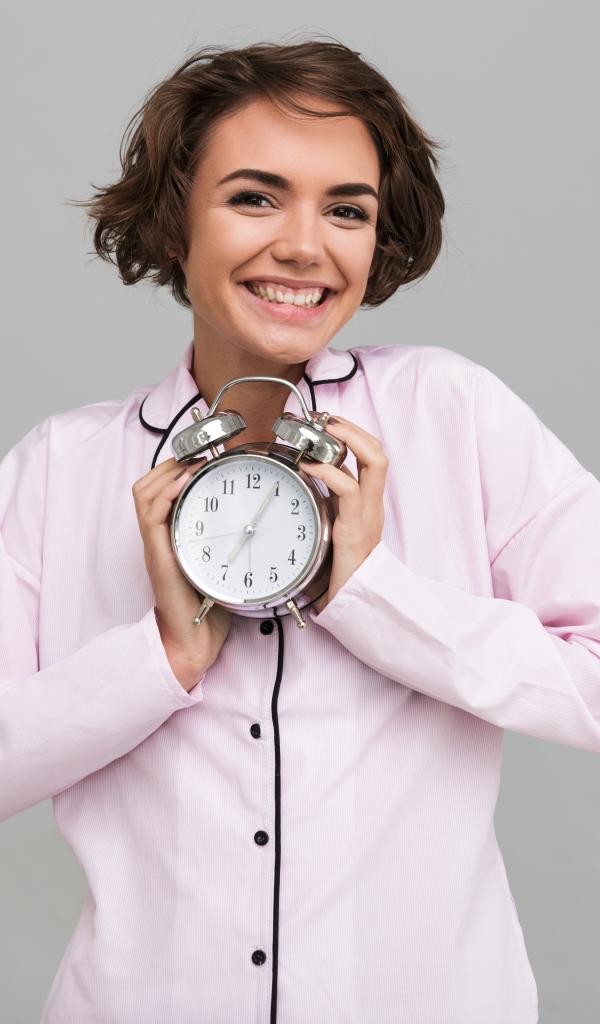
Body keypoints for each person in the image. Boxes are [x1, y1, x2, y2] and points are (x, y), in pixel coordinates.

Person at [1, 37, 598, 1024]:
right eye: (255, 197)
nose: (304, 246)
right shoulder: (58, 470)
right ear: (176, 219)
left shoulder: (453, 416)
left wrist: (377, 598)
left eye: (347, 210)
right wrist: (159, 659)